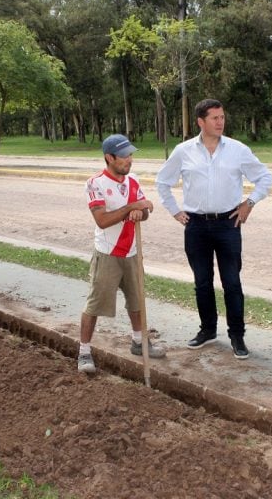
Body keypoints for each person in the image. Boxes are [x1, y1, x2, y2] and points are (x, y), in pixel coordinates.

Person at [155, 99, 272, 359]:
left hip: (228, 224)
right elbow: (162, 182)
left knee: (232, 282)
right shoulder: (183, 151)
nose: (220, 122)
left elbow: (265, 177)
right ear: (200, 122)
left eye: (222, 117)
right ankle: (207, 330)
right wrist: (175, 211)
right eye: (214, 118)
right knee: (202, 282)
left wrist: (249, 203)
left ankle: (237, 336)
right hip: (196, 226)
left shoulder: (237, 150)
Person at [78, 134, 166, 374]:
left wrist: (141, 212)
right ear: (109, 157)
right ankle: (84, 351)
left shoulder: (133, 180)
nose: (130, 160)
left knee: (137, 300)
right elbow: (102, 220)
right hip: (107, 253)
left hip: (132, 252)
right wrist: (131, 208)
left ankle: (139, 341)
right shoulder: (95, 183)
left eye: (131, 155)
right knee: (95, 304)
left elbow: (144, 210)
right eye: (124, 156)